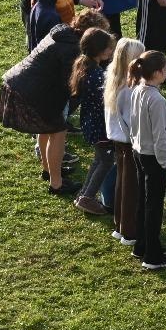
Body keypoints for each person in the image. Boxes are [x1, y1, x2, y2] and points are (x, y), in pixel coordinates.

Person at [0, 22, 83, 194]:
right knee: (58, 133)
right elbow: (70, 84)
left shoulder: (61, 33)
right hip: (32, 92)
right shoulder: (71, 48)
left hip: (23, 85)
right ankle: (56, 184)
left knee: (45, 130)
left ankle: (48, 170)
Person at [127, 51, 166, 270]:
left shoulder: (137, 89)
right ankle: (153, 256)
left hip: (138, 151)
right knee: (153, 206)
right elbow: (160, 137)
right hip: (153, 157)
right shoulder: (157, 99)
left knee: (143, 201)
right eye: (165, 69)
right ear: (157, 73)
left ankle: (141, 245)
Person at [103, 37, 145, 244]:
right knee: (131, 187)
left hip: (117, 139)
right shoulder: (130, 88)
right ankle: (129, 231)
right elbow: (132, 120)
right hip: (129, 142)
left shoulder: (112, 76)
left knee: (122, 182)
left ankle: (119, 225)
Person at [70, 28, 116, 215]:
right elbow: (107, 100)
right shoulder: (97, 76)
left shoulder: (85, 67)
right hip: (101, 128)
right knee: (105, 161)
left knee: (99, 159)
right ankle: (88, 197)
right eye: (109, 49)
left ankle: (83, 193)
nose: (111, 52)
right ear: (101, 51)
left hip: (90, 124)